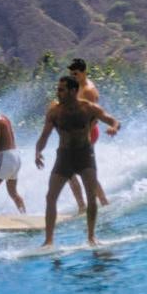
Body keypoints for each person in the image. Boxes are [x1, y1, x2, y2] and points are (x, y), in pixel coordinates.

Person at [35, 76, 120, 246]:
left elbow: (113, 120)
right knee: (51, 197)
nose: (57, 93)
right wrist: (38, 151)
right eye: (57, 89)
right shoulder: (55, 112)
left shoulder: (87, 108)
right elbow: (45, 135)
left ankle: (91, 236)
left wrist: (113, 127)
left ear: (73, 91)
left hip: (85, 155)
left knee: (91, 196)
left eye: (61, 89)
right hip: (64, 156)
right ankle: (48, 240)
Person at [64, 58, 115, 209]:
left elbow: (95, 116)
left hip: (87, 133)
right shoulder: (77, 86)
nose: (73, 76)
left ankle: (95, 204)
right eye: (71, 74)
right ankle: (96, 203)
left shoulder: (89, 90)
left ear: (84, 72)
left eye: (76, 73)